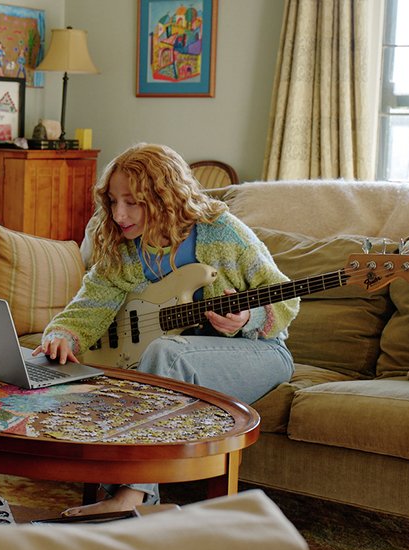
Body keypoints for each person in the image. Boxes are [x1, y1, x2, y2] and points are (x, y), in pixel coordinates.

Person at [34, 143, 299, 517]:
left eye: (133, 202)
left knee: (164, 355)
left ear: (164, 196)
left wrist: (248, 318)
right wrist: (62, 334)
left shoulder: (222, 231)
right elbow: (92, 302)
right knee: (115, 375)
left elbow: (287, 300)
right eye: (112, 201)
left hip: (262, 353)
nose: (119, 213)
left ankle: (130, 498)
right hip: (183, 360)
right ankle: (132, 500)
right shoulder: (124, 244)